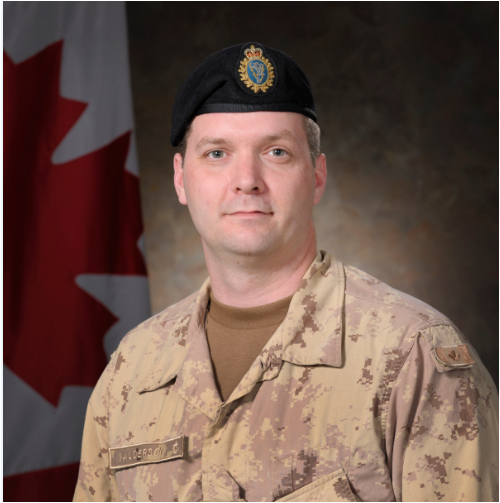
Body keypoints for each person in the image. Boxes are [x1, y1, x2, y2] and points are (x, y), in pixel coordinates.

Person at [74, 42, 498, 502]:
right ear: (180, 178)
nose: (246, 180)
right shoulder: (131, 370)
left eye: (276, 152)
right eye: (216, 153)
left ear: (316, 176)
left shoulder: (413, 358)